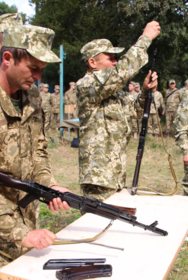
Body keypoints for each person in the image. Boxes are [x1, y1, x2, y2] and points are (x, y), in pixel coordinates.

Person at [0, 25, 70, 279]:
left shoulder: (32, 97)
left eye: (42, 69)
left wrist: (50, 186)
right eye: (33, 68)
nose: (38, 76)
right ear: (7, 58)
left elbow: (38, 152)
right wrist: (20, 233)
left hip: (28, 214)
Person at [76, 21, 161, 201]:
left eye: (116, 58)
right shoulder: (86, 85)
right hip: (98, 177)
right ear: (93, 62)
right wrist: (145, 39)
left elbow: (136, 112)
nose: (115, 62)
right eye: (110, 58)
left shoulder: (115, 94)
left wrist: (145, 90)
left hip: (115, 176)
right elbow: (121, 72)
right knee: (94, 225)